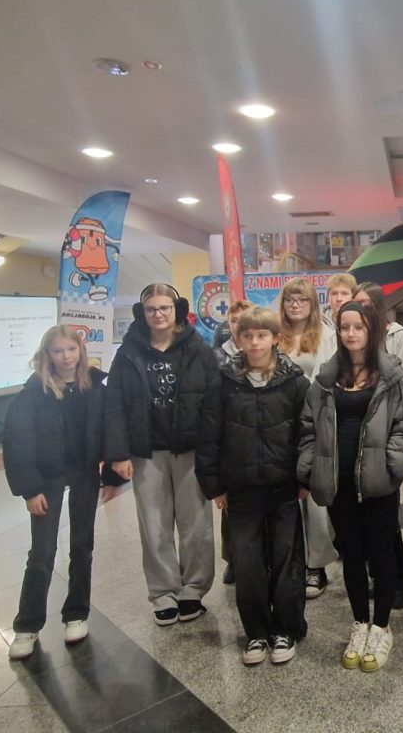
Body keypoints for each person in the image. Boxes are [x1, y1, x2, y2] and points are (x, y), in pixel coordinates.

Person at [298, 302, 403, 672]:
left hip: (378, 484)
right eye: (345, 327)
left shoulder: (393, 376)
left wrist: (390, 467)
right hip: (337, 482)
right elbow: (307, 428)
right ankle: (360, 623)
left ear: (373, 331)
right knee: (351, 554)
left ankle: (382, 626)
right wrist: (312, 467)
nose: (351, 334)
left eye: (359, 327)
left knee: (381, 553)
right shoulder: (325, 378)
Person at [196, 307, 310, 665]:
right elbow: (209, 435)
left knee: (287, 559)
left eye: (262, 335)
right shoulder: (223, 382)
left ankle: (286, 629)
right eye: (248, 336)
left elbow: (308, 433)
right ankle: (257, 632)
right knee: (247, 562)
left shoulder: (296, 382)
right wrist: (214, 484)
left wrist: (305, 476)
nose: (255, 342)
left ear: (276, 338)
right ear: (239, 339)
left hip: (283, 486)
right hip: (241, 488)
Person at [3, 326, 122, 660]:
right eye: (58, 351)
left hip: (85, 472)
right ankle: (27, 625)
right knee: (42, 552)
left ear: (80, 351)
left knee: (82, 546)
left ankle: (76, 614)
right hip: (47, 478)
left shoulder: (95, 386)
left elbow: (110, 429)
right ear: (47, 355)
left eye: (71, 349)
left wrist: (112, 476)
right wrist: (30, 490)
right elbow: (18, 442)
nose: (66, 357)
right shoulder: (33, 392)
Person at [104, 284, 219, 626]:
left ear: (176, 309)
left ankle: (193, 589)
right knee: (154, 525)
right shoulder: (128, 354)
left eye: (165, 307)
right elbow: (114, 406)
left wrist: (213, 449)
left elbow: (214, 402)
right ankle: (163, 592)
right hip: (147, 452)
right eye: (151, 308)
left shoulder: (199, 350)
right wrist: (118, 453)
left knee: (196, 524)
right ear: (142, 313)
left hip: (191, 449)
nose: (158, 314)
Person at [354, 281, 403, 608]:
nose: (362, 310)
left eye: (367, 304)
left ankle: (397, 581)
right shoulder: (351, 339)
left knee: (388, 519)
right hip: (358, 441)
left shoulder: (396, 337)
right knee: (364, 520)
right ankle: (375, 575)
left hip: (388, 439)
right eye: (357, 304)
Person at [278, 276, 338, 599]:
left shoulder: (327, 335)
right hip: (280, 424)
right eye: (290, 299)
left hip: (314, 422)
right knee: (286, 496)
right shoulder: (275, 335)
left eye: (302, 299)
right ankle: (291, 562)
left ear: (313, 303)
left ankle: (316, 565)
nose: (295, 304)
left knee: (314, 497)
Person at [210, 298, 254, 585]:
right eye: (235, 320)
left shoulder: (263, 349)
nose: (239, 325)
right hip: (230, 437)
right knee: (231, 507)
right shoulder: (217, 356)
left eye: (244, 319)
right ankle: (233, 559)